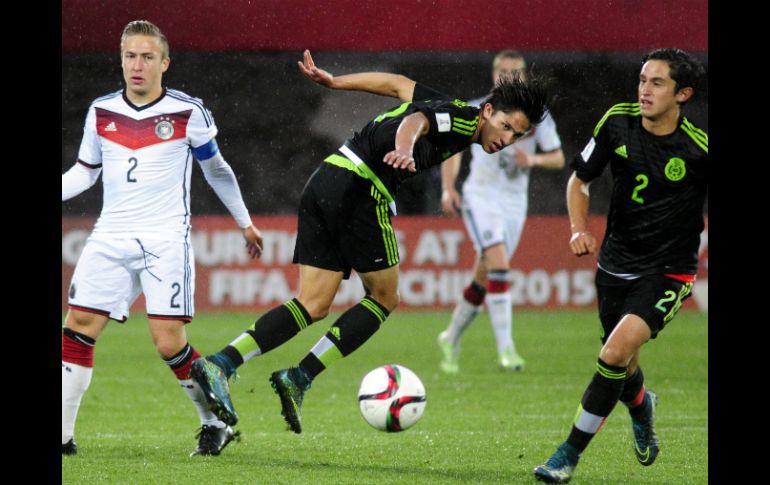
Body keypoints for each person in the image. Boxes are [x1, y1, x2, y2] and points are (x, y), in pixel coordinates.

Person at [189, 49, 549, 434]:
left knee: (313, 303)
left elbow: (396, 85)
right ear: (488, 111)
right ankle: (300, 376)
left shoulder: (448, 105)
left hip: (327, 179)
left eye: (518, 135)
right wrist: (404, 148)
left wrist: (336, 82)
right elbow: (416, 121)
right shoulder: (463, 119)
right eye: (506, 126)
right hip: (361, 189)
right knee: (385, 297)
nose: (507, 139)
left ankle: (221, 363)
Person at [61, 20, 263, 457]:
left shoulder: (188, 112)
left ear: (164, 63)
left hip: (164, 240)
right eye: (130, 56)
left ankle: (214, 424)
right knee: (77, 327)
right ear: (121, 60)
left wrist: (244, 221)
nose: (138, 65)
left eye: (147, 57)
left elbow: (217, 170)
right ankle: (62, 437)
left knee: (168, 342)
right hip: (110, 236)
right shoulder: (101, 111)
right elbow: (84, 172)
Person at [533, 48, 707, 483]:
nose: (645, 90)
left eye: (657, 83)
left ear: (683, 94)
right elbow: (580, 180)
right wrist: (578, 229)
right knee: (623, 364)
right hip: (615, 264)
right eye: (643, 80)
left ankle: (567, 455)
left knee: (611, 353)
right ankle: (642, 406)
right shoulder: (617, 122)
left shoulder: (698, 150)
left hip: (668, 270)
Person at [437, 50, 565, 373]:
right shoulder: (478, 108)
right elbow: (454, 149)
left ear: (525, 76)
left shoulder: (537, 116)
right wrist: (448, 188)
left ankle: (450, 337)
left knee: (485, 274)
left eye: (516, 72)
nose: (509, 77)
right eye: (503, 71)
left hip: (514, 203)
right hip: (481, 197)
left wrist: (532, 160)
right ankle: (507, 351)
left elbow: (558, 158)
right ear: (494, 76)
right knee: (500, 265)